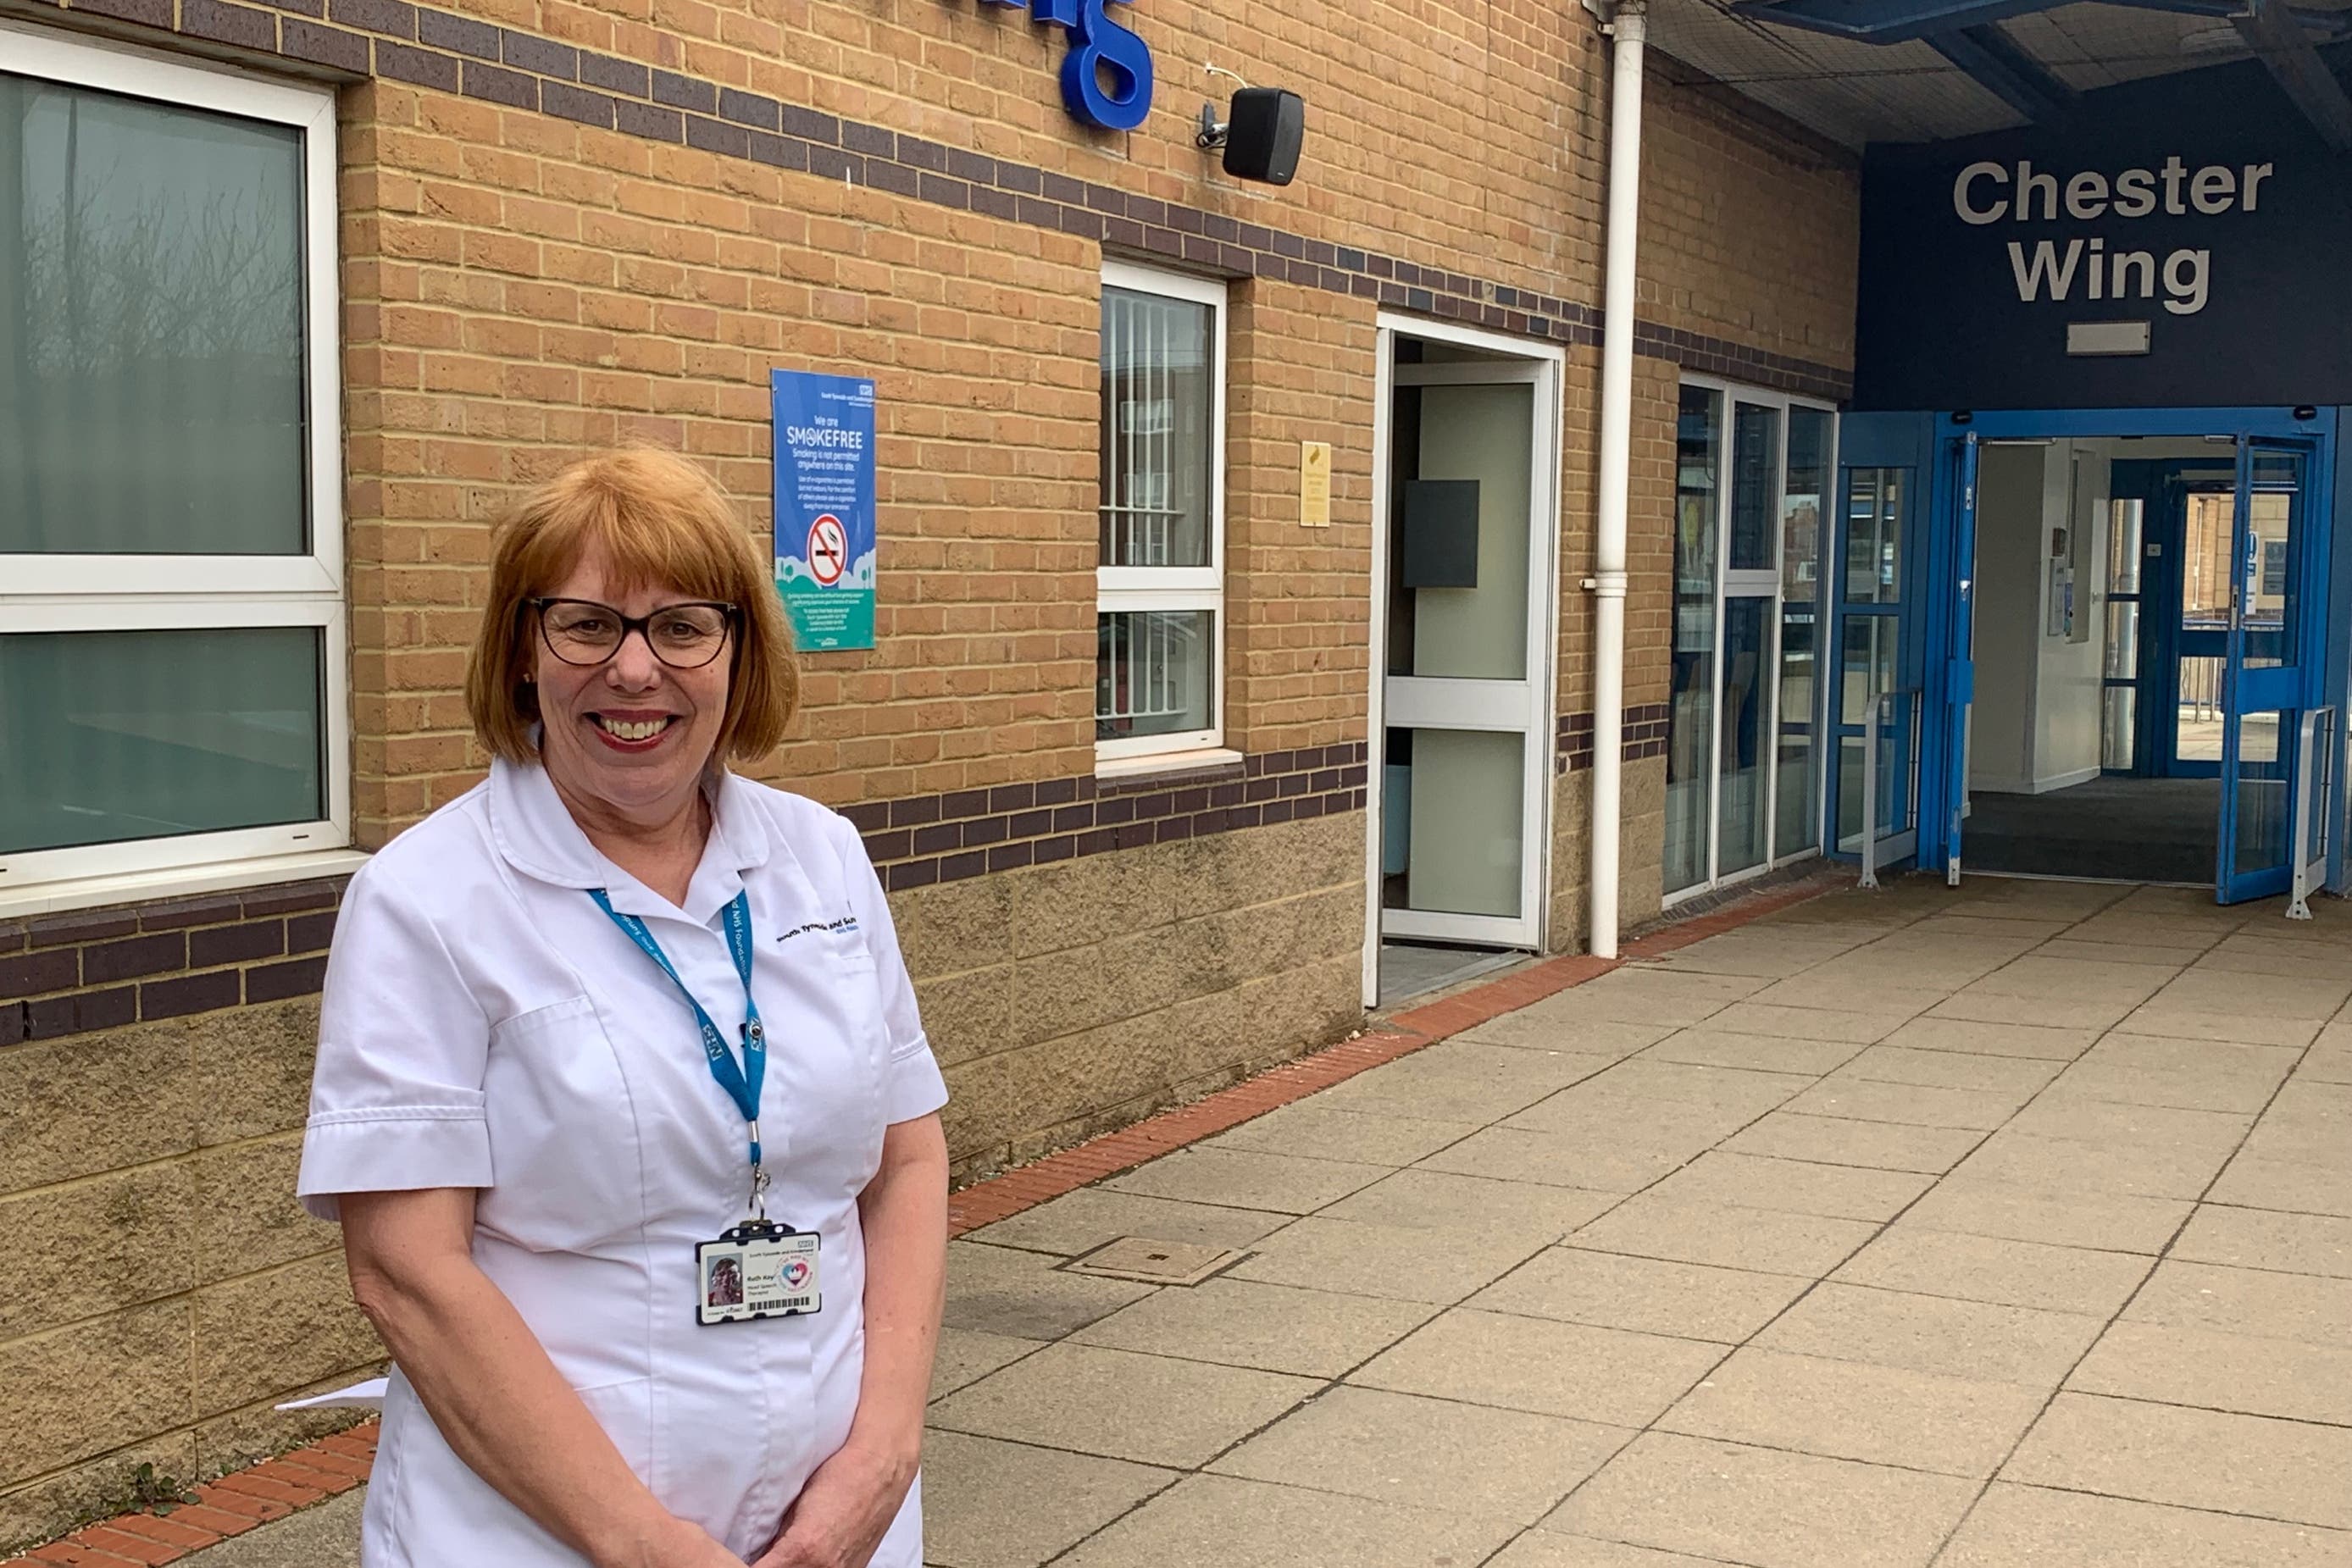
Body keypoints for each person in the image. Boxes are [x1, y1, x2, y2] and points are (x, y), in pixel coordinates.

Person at [297, 449, 949, 1568]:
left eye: (684, 627)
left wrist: (881, 1457)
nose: (636, 671)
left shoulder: (822, 859)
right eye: (588, 625)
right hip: (543, 1533)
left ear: (740, 653)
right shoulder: (426, 901)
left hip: (834, 1523)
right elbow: (408, 1270)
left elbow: (907, 1157)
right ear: (521, 652)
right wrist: (645, 1545)